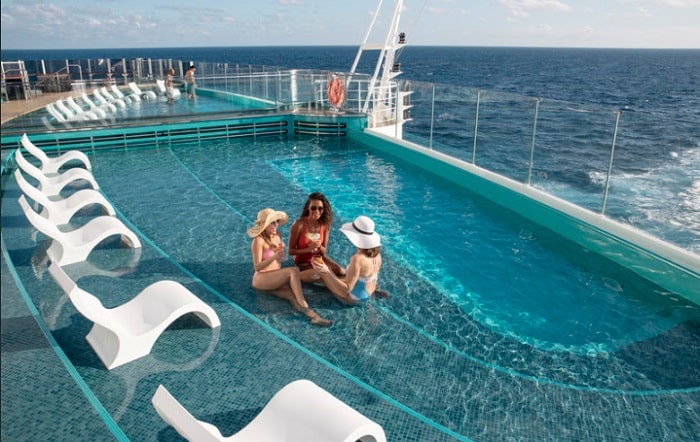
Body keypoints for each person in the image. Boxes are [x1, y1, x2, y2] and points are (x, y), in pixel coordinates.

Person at [248, 208, 332, 326]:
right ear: (264, 225)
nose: (276, 225)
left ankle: (314, 317)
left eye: (277, 221)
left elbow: (280, 257)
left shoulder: (277, 235)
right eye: (272, 222)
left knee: (291, 295)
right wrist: (274, 256)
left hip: (274, 278)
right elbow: (257, 267)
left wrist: (280, 254)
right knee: (293, 271)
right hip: (261, 278)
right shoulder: (258, 241)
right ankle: (303, 303)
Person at [312, 215, 388, 305]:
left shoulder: (358, 258)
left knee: (321, 274)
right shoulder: (377, 254)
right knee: (337, 274)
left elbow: (347, 288)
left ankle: (298, 280)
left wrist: (327, 271)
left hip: (354, 298)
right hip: (368, 292)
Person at [288, 192, 346, 284]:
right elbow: (290, 251)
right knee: (325, 276)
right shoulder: (299, 225)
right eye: (313, 208)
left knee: (341, 271)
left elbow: (323, 252)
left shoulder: (325, 225)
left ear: (324, 209)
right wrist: (309, 249)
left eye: (320, 208)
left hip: (318, 258)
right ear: (308, 208)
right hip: (302, 261)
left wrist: (319, 246)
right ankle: (347, 286)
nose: (317, 211)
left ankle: (347, 284)